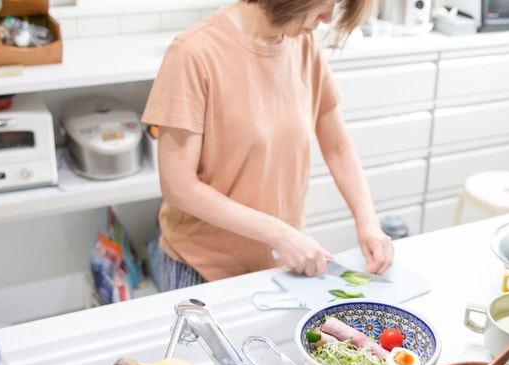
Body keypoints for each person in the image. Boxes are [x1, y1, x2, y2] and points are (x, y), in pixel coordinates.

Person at [141, 0, 394, 292]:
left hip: (279, 263)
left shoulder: (304, 44)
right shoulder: (193, 53)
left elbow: (338, 148)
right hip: (202, 269)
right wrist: (279, 233)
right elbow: (178, 186)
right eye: (326, 4)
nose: (327, 19)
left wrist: (368, 223)